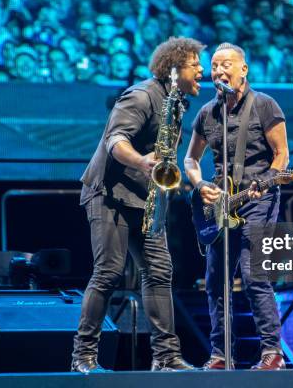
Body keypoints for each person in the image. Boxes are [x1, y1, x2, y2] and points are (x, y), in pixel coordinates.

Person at [72, 37, 204, 373]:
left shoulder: (176, 103)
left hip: (145, 199)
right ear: (175, 70)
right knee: (108, 273)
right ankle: (83, 357)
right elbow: (115, 140)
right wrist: (142, 162)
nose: (202, 70)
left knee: (159, 272)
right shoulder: (142, 95)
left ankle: (166, 357)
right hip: (109, 194)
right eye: (194, 64)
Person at [183, 42, 289, 370]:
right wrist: (200, 185)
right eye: (214, 66)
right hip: (220, 205)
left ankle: (272, 353)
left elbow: (282, 155)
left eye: (226, 64)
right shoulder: (207, 113)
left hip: (259, 198)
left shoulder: (265, 106)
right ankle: (220, 354)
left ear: (243, 69)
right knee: (216, 281)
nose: (218, 71)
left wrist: (268, 181)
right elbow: (190, 158)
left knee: (254, 272)